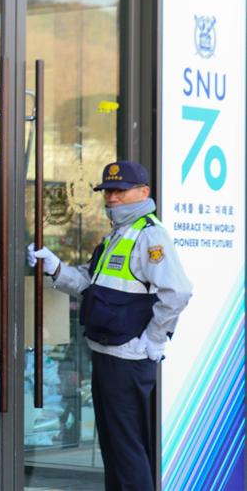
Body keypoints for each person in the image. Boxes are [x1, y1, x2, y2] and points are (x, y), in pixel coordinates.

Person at [28, 160, 192, 491]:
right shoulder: (117, 235)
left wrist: (155, 337)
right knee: (114, 448)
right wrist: (56, 268)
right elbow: (90, 284)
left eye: (120, 191)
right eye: (108, 192)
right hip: (106, 352)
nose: (112, 198)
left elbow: (178, 292)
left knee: (127, 451)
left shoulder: (150, 235)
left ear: (143, 192)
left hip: (128, 357)